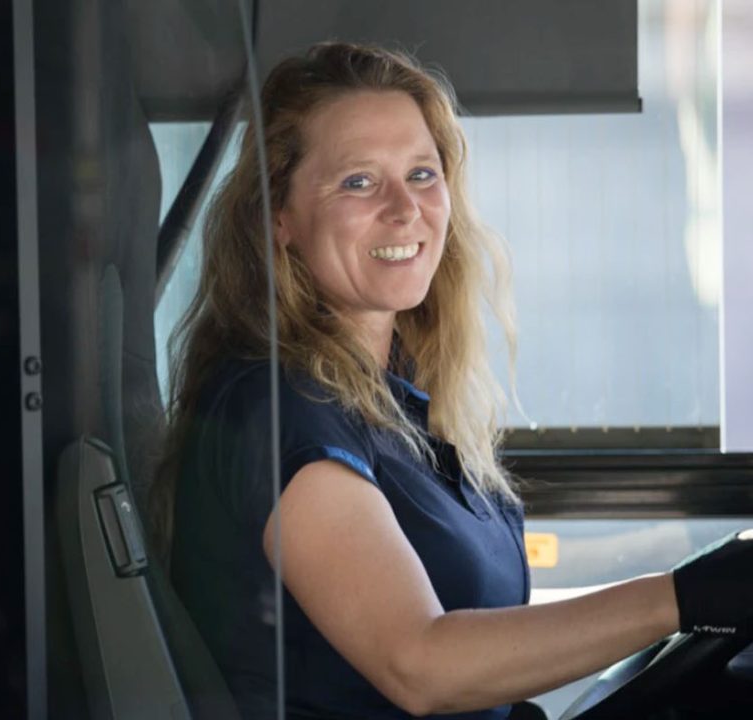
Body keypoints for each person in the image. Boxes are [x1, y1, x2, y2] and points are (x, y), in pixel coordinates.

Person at [149, 42, 753, 720]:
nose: (405, 210)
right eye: (358, 181)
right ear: (278, 218)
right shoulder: (277, 407)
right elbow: (421, 663)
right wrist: (684, 597)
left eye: (421, 174)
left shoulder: (390, 402)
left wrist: (702, 567)